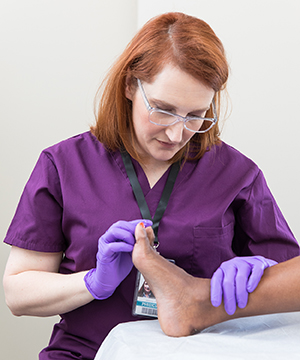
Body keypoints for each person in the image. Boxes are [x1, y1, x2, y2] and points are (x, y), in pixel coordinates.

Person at [2, 12, 299, 360]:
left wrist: (260, 270)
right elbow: (17, 294)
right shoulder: (64, 165)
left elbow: (291, 275)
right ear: (130, 85)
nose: (177, 134)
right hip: (89, 352)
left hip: (200, 351)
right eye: (163, 110)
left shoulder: (236, 173)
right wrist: (93, 282)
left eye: (196, 115)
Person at [132, 222, 300, 337]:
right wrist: (103, 289)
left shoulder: (237, 175)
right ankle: (195, 302)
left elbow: (285, 257)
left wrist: (269, 266)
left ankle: (198, 303)